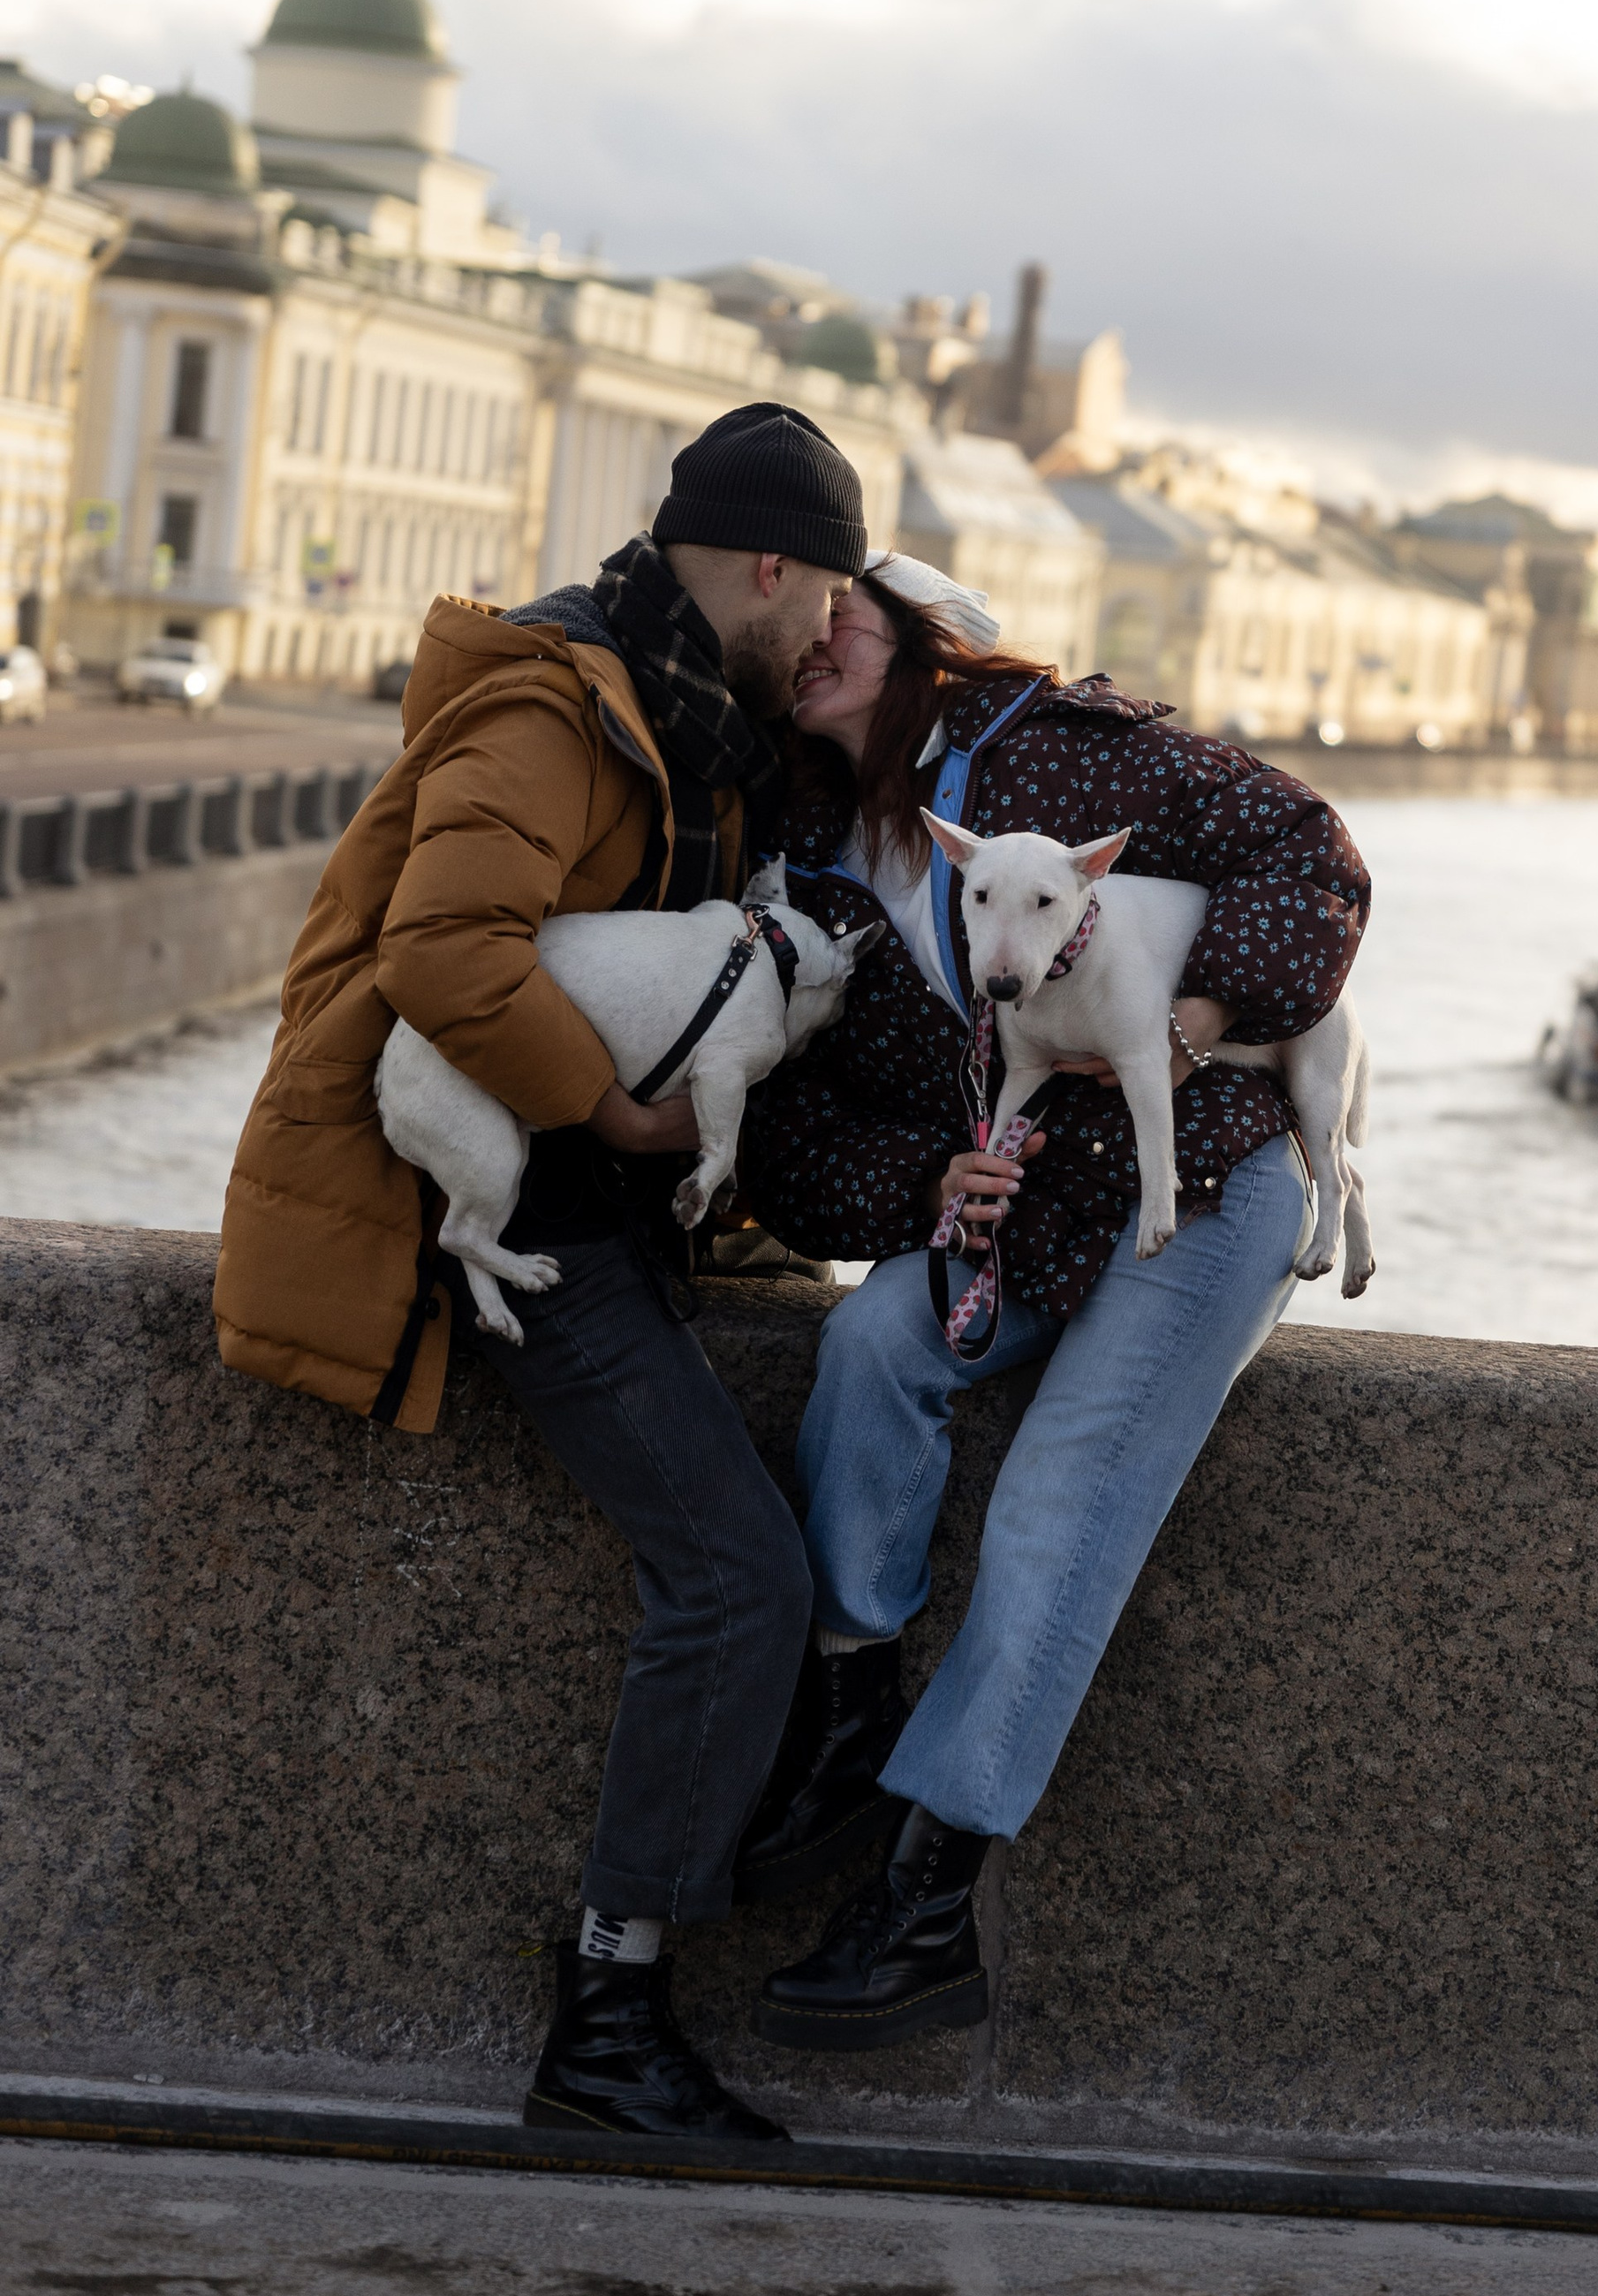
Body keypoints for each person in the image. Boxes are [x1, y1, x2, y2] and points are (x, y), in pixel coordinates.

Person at [214, 402, 866, 2140]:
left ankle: (654, 1952)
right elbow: (442, 951)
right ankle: (605, 2014)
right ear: (768, 565)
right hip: (512, 1213)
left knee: (760, 1551)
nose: (826, 637)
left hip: (596, 1211)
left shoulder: (690, 714)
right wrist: (626, 1122)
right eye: (826, 601)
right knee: (734, 1575)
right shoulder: (553, 702)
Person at [732, 561, 1371, 2046]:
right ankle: (847, 1712)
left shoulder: (1068, 750)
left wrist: (1200, 1014)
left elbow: (1312, 856)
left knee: (1058, 1493)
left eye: (850, 609)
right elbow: (794, 1142)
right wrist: (933, 1183)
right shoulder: (794, 852)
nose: (819, 635)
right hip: (1024, 1209)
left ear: (920, 640)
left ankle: (930, 1897)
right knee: (873, 1341)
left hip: (1202, 1180)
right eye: (801, 617)